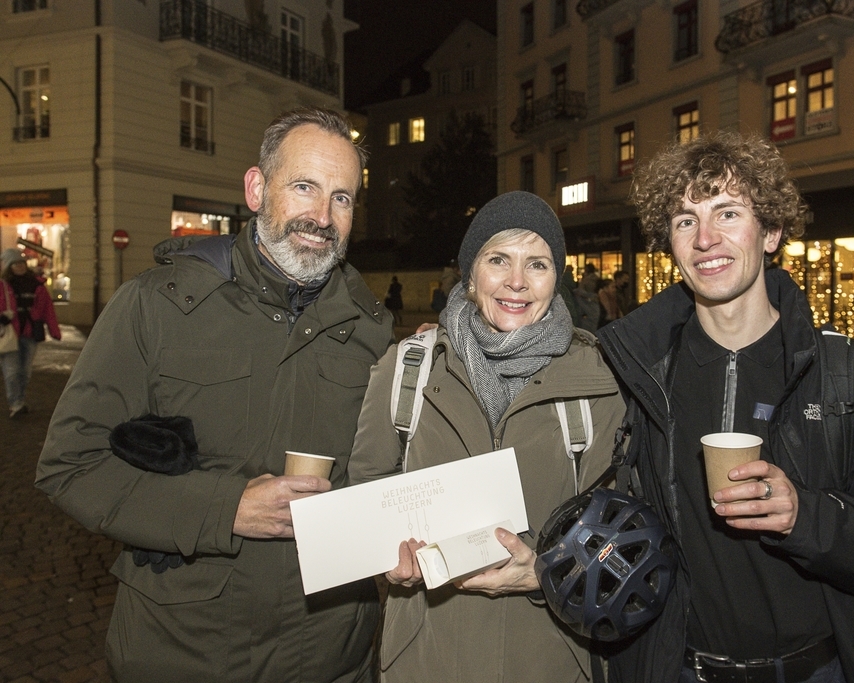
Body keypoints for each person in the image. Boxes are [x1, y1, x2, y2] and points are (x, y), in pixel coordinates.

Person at [35, 107, 393, 682]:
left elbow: (384, 478)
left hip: (330, 657)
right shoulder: (155, 305)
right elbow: (70, 466)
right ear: (257, 188)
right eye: (304, 187)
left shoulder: (373, 332)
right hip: (184, 655)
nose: (322, 216)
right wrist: (224, 508)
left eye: (343, 197)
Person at [596, 132, 854, 683]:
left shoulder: (849, 374)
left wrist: (806, 515)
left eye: (727, 213)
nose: (706, 238)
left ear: (772, 231)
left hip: (813, 670)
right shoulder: (636, 369)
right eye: (685, 221)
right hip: (680, 668)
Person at [348, 190, 625, 683]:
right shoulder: (407, 370)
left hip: (551, 658)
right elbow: (368, 492)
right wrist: (386, 558)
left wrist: (544, 572)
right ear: (471, 274)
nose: (516, 282)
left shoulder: (599, 381)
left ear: (555, 279)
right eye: (498, 259)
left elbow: (621, 534)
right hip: (427, 657)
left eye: (537, 264)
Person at [1, 248, 61, 418]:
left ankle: (19, 399)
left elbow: (48, 309)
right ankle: (15, 404)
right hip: (10, 333)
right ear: (9, 267)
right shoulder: (3, 285)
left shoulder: (37, 285)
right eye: (15, 264)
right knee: (12, 371)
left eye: (21, 263)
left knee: (25, 371)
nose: (19, 266)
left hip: (29, 333)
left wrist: (54, 330)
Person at [574, 262, 601, 333]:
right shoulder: (596, 278)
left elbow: (583, 290)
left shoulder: (588, 279)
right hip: (593, 302)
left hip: (587, 302)